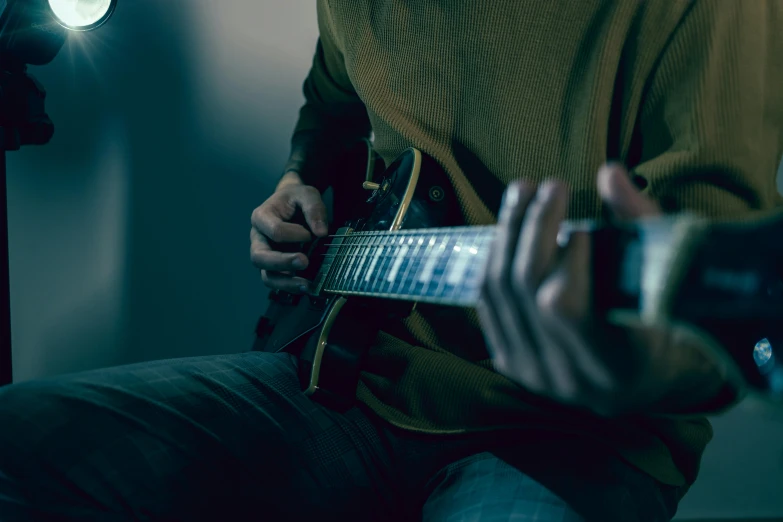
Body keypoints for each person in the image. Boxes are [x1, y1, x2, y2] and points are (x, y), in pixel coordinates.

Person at [1, 1, 781, 521]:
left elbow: (706, 328)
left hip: (578, 442)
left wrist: (629, 367)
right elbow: (332, 104)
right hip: (352, 381)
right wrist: (299, 180)